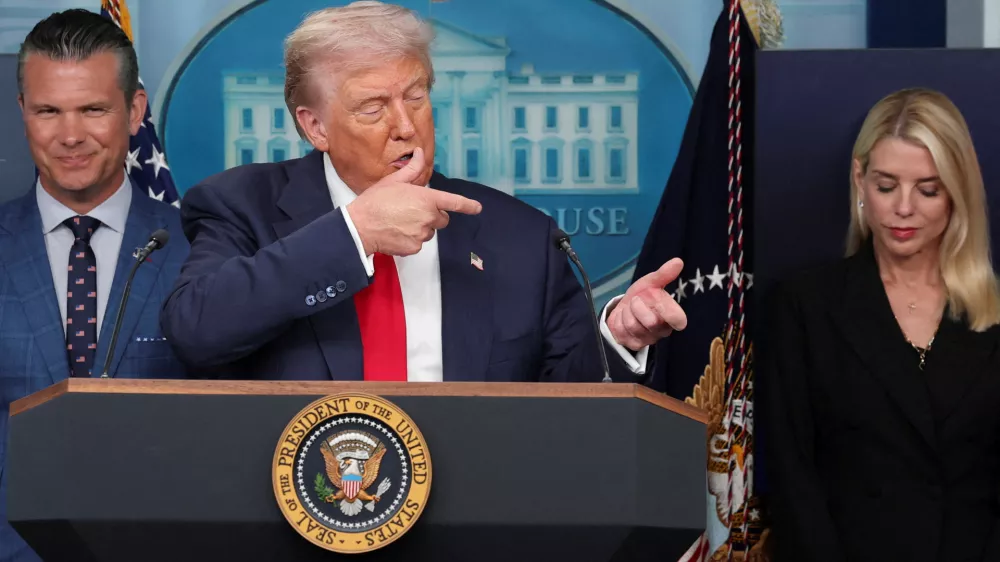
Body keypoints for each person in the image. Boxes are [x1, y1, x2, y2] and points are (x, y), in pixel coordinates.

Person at [161, 1, 687, 382]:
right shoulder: (241, 206)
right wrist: (355, 233)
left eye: (416, 97)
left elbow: (565, 405)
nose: (405, 126)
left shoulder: (520, 235)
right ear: (314, 126)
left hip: (476, 516)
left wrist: (620, 338)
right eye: (373, 108)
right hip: (304, 510)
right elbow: (197, 331)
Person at [759, 87, 1000, 562]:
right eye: (886, 185)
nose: (903, 208)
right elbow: (792, 477)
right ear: (859, 179)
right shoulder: (805, 306)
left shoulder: (993, 315)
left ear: (958, 192)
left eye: (928, 189)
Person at [0, 10, 190, 561]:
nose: (70, 136)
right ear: (22, 113)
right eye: (48, 111)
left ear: (134, 111)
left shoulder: (203, 250)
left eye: (93, 109)